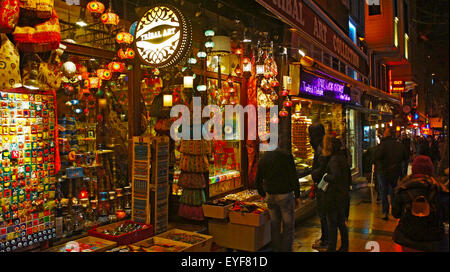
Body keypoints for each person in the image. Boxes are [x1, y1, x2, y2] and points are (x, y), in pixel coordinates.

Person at [392, 155, 449, 252]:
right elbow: (446, 216)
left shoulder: (403, 189)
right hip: (433, 241)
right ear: (431, 170)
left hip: (407, 238)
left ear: (414, 170)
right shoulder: (440, 191)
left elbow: (395, 213)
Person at [255, 143, 301, 252]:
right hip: (285, 195)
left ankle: (275, 249)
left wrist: (263, 194)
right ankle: (286, 250)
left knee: (274, 226)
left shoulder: (263, 159)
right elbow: (293, 176)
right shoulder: (286, 156)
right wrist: (297, 195)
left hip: (271, 196)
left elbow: (257, 181)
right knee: (288, 226)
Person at [322, 137, 352, 252]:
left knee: (332, 223)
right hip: (342, 194)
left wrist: (325, 177)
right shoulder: (342, 157)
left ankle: (332, 247)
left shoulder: (334, 159)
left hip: (334, 196)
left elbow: (334, 176)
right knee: (340, 222)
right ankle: (345, 246)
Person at [374, 127, 408, 220]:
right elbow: (405, 157)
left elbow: (377, 156)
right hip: (395, 171)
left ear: (388, 134)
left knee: (384, 192)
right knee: (393, 191)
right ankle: (395, 210)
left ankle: (385, 212)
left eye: (385, 131)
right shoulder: (399, 145)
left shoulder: (383, 145)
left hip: (383, 171)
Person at [311, 133, 331, 250]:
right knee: (324, 214)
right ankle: (325, 238)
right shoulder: (321, 149)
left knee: (323, 214)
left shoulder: (321, 150)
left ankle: (326, 240)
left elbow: (321, 169)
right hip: (324, 186)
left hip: (323, 186)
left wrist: (314, 174)